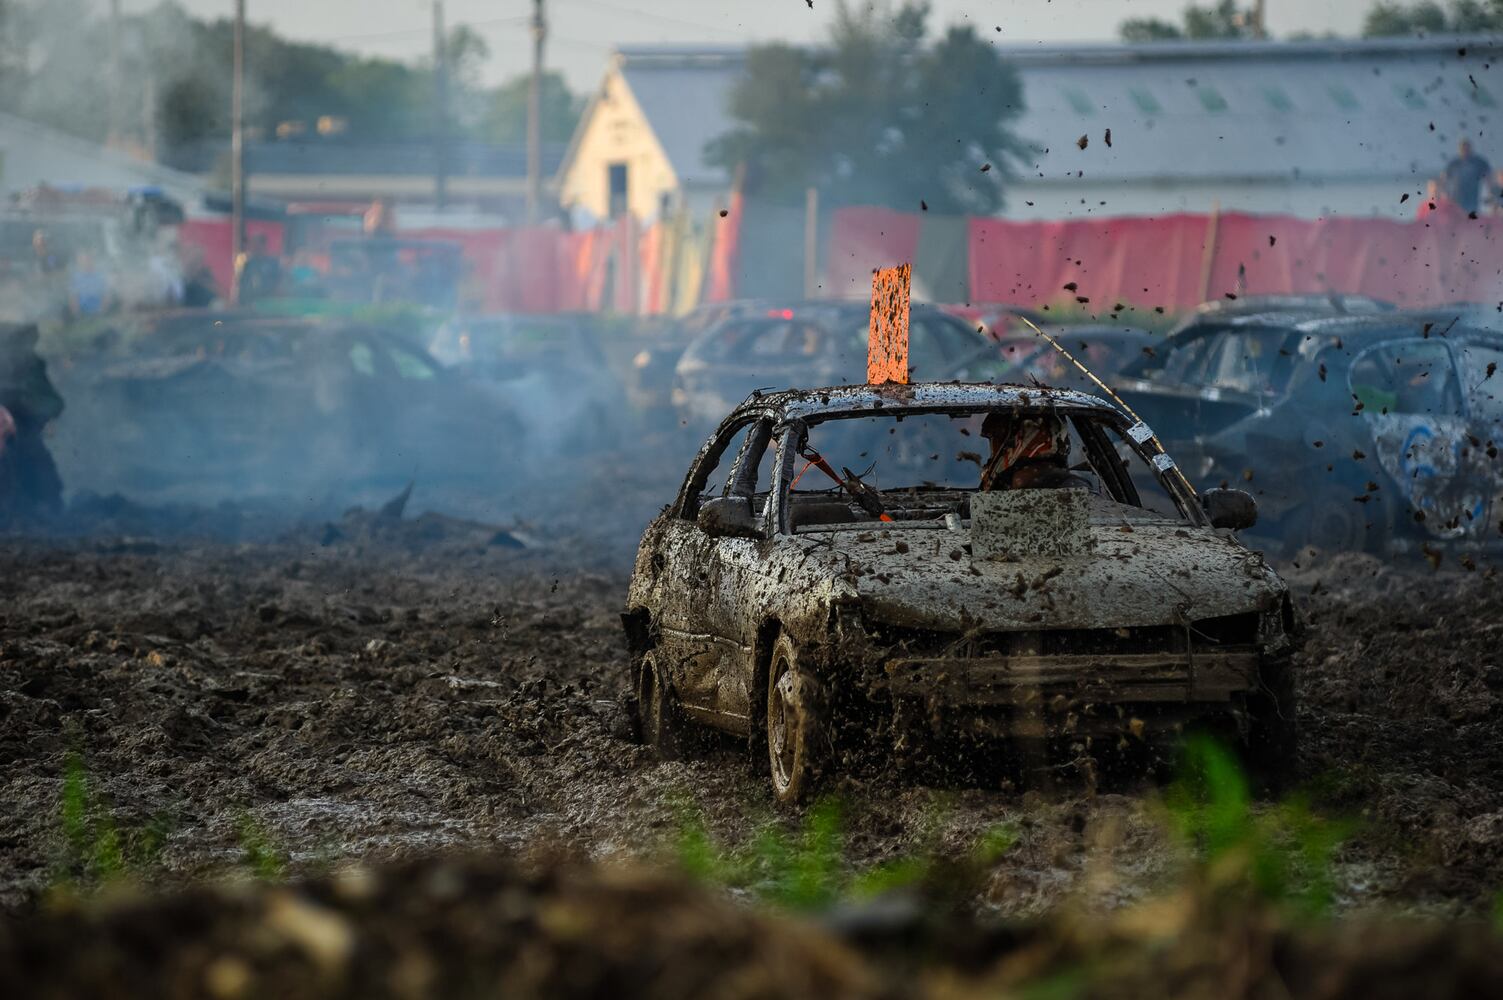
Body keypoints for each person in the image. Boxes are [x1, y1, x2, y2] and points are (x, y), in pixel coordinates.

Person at [0, 324, 65, 520]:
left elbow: (53, 401)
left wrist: (41, 414)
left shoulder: (33, 366)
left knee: (42, 476)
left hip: (24, 433)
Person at [978, 411, 1092, 491]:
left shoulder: (1073, 489)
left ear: (1019, 440)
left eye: (997, 442)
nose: (991, 457)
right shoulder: (1076, 488)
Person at [1441, 139, 1491, 215]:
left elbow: (1488, 176)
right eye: (1462, 148)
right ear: (1459, 149)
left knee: (1471, 218)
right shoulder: (1454, 163)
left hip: (1473, 197)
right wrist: (1446, 194)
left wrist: (1489, 192)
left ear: (1471, 148)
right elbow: (1444, 179)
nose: (1465, 150)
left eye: (1467, 147)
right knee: (1457, 218)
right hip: (1456, 198)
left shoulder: (1478, 162)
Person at [235, 233, 282, 303]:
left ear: (263, 245)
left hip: (267, 300)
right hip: (249, 301)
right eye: (252, 244)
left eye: (256, 244)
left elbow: (278, 281)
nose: (253, 247)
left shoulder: (272, 262)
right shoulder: (248, 263)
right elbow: (242, 283)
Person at [67, 250, 113, 318]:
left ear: (91, 260)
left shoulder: (100, 274)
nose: (85, 262)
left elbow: (107, 294)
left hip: (101, 311)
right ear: (78, 262)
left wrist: (102, 310)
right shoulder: (76, 278)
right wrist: (77, 314)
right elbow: (73, 298)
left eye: (87, 259)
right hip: (83, 313)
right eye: (81, 260)